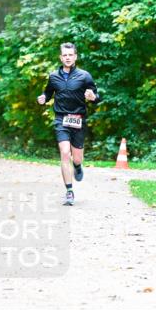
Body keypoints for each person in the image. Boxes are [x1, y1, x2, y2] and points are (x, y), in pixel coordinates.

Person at [36, 42, 100, 206]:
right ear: (61, 57)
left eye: (70, 55)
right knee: (65, 153)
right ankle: (69, 191)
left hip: (78, 119)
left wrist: (93, 97)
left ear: (75, 57)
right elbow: (47, 93)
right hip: (61, 119)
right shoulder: (53, 76)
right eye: (65, 55)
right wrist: (43, 98)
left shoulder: (84, 76)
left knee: (76, 158)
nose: (68, 58)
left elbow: (97, 96)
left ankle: (77, 166)